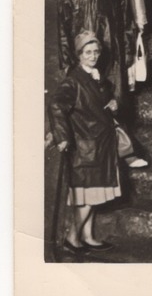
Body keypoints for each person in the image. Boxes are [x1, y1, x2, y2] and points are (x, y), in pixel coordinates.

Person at [49, 32, 139, 254]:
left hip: (101, 145)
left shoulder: (98, 78)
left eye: (96, 51)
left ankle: (87, 236)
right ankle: (72, 238)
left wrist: (113, 105)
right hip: (86, 148)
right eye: (88, 52)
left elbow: (100, 106)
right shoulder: (74, 81)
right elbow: (56, 106)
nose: (93, 56)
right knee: (88, 197)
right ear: (79, 55)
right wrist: (62, 138)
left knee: (92, 195)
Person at [57, 0, 135, 105]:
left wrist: (128, 49)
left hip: (111, 47)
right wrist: (66, 56)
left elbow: (126, 16)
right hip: (82, 50)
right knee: (85, 102)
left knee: (112, 100)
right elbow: (63, 21)